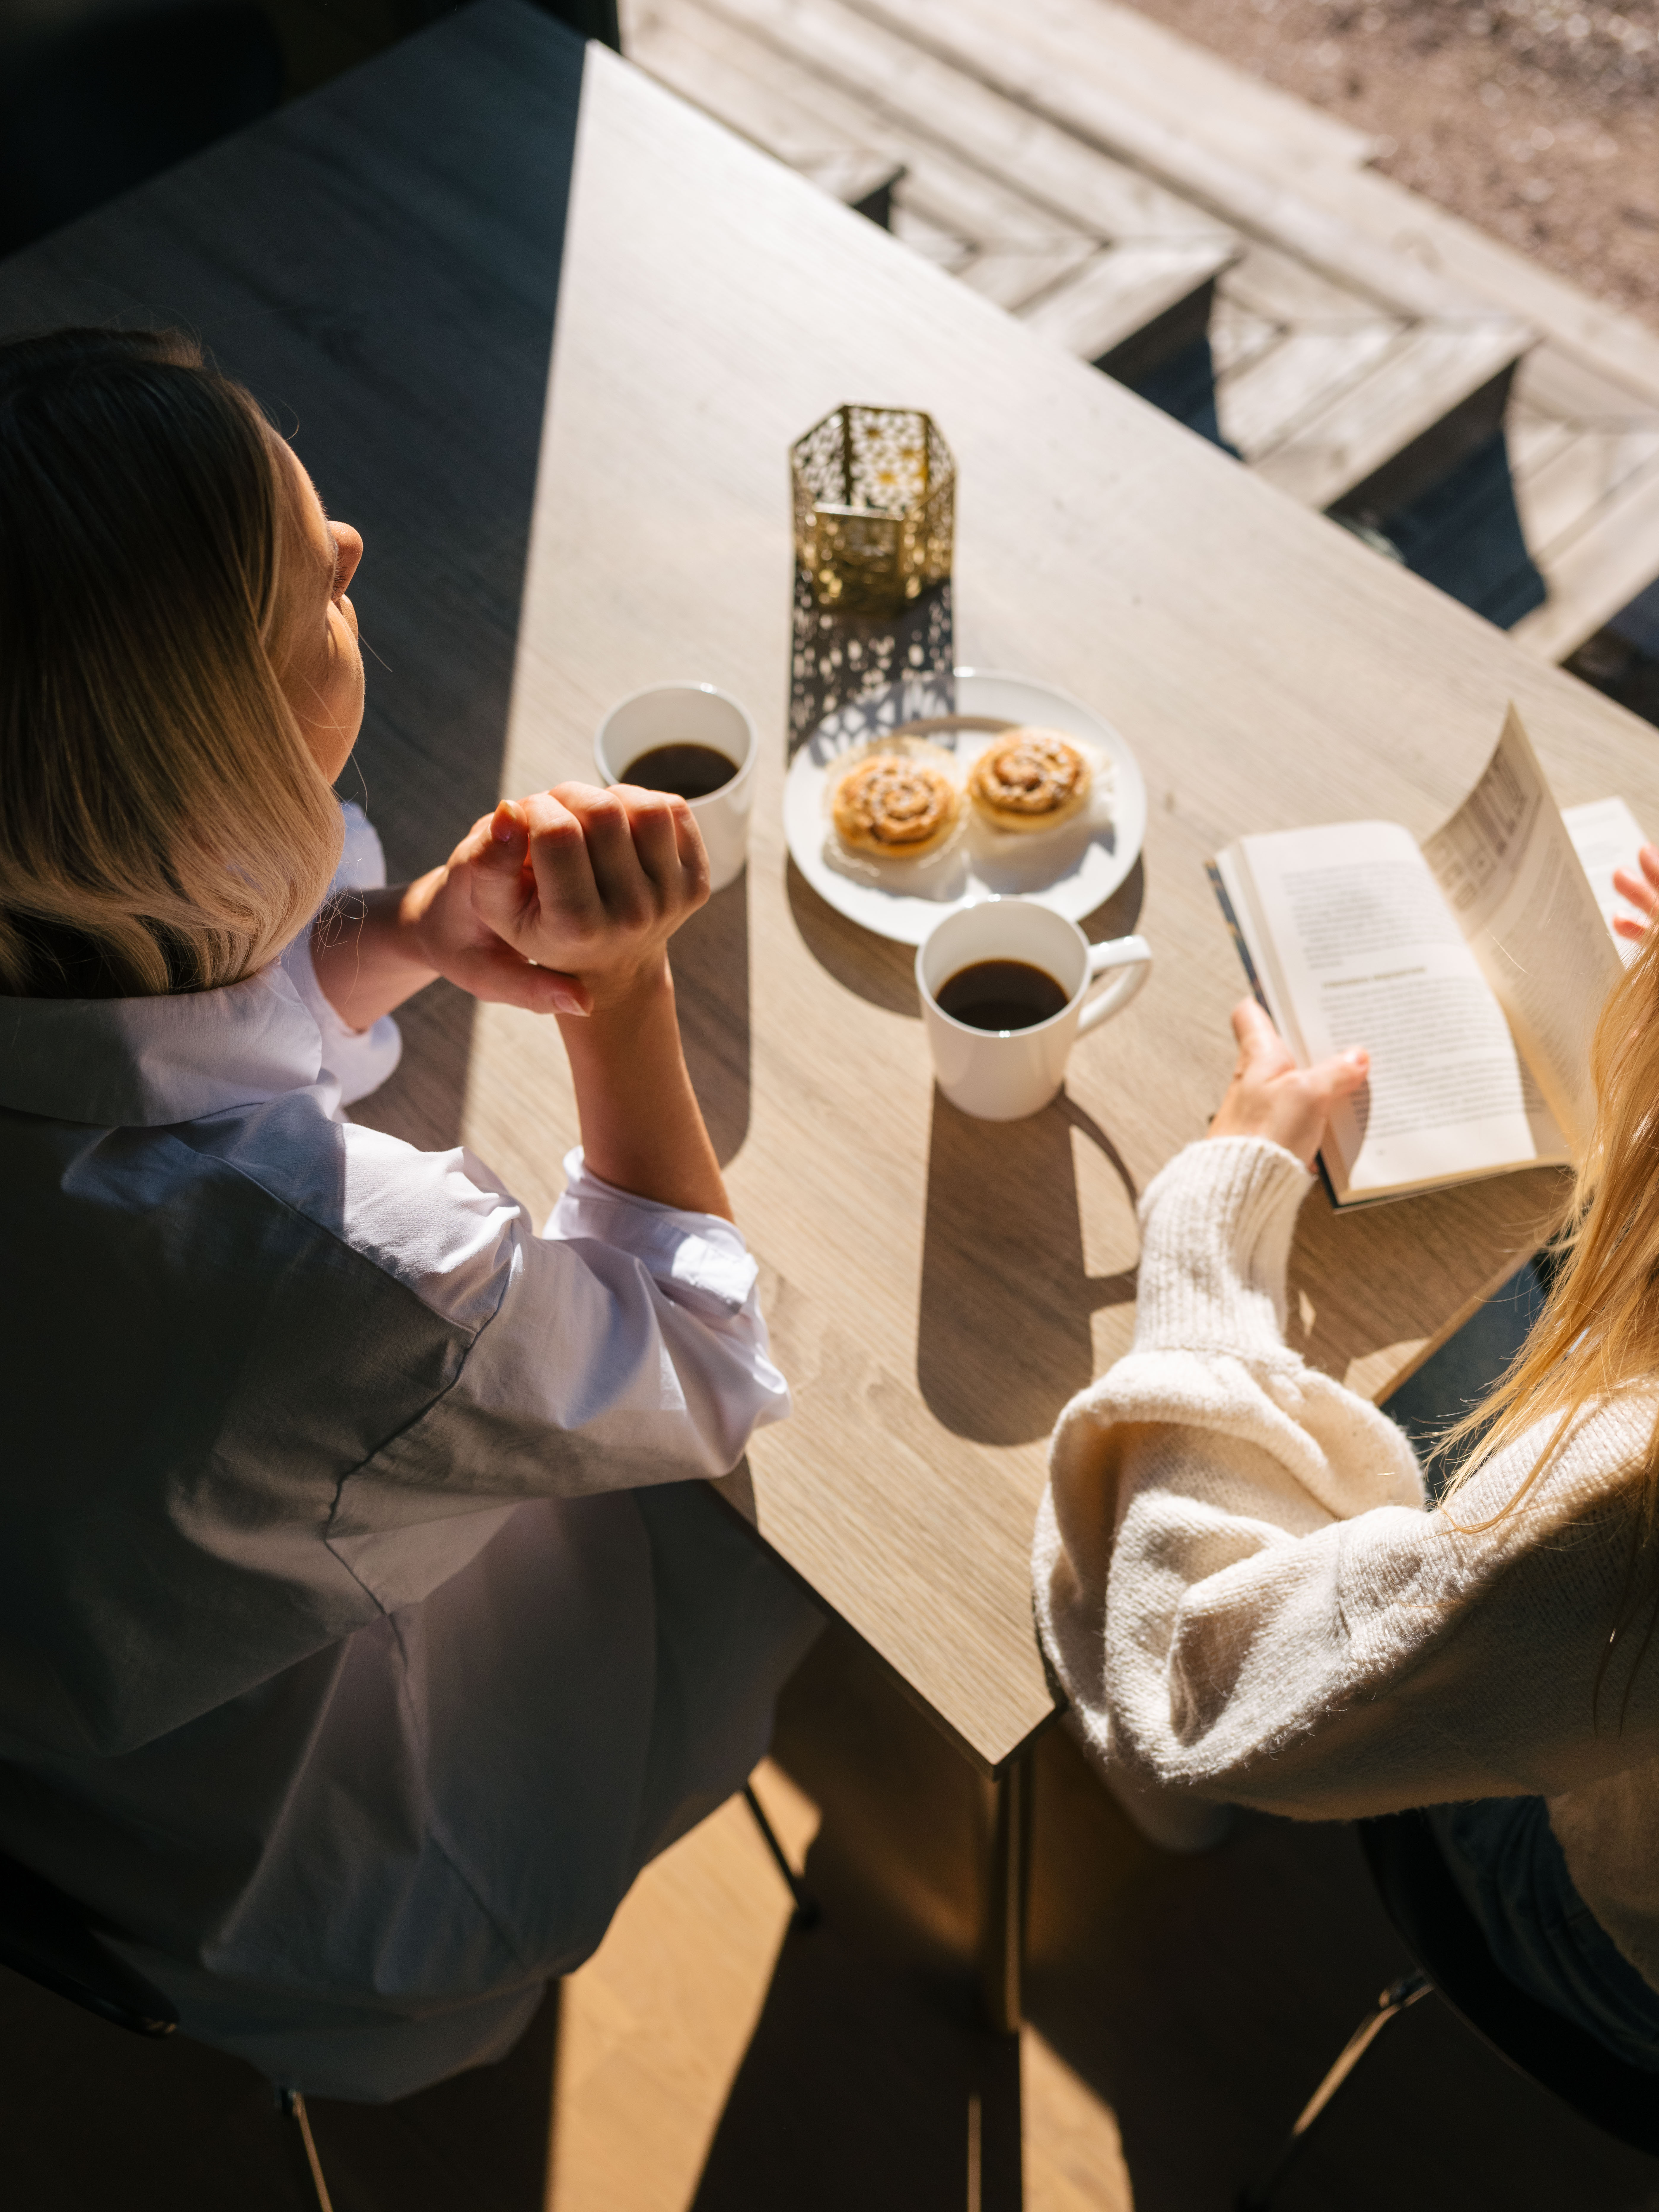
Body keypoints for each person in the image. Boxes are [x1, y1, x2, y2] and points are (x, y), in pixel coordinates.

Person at [0, 327, 819, 2100]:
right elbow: (697, 1362)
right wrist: (620, 998)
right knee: (796, 1520)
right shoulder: (357, 1274)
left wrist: (388, 948)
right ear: (211, 768)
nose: (355, 544)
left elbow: (122, 1061)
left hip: (65, 1775)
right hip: (347, 1888)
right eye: (311, 599)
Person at [1035, 873, 1659, 2072]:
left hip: (1611, 1947)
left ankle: (1179, 1837)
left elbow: (1193, 1690)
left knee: (1383, 1315)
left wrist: (1210, 1227)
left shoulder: (1617, 1498)